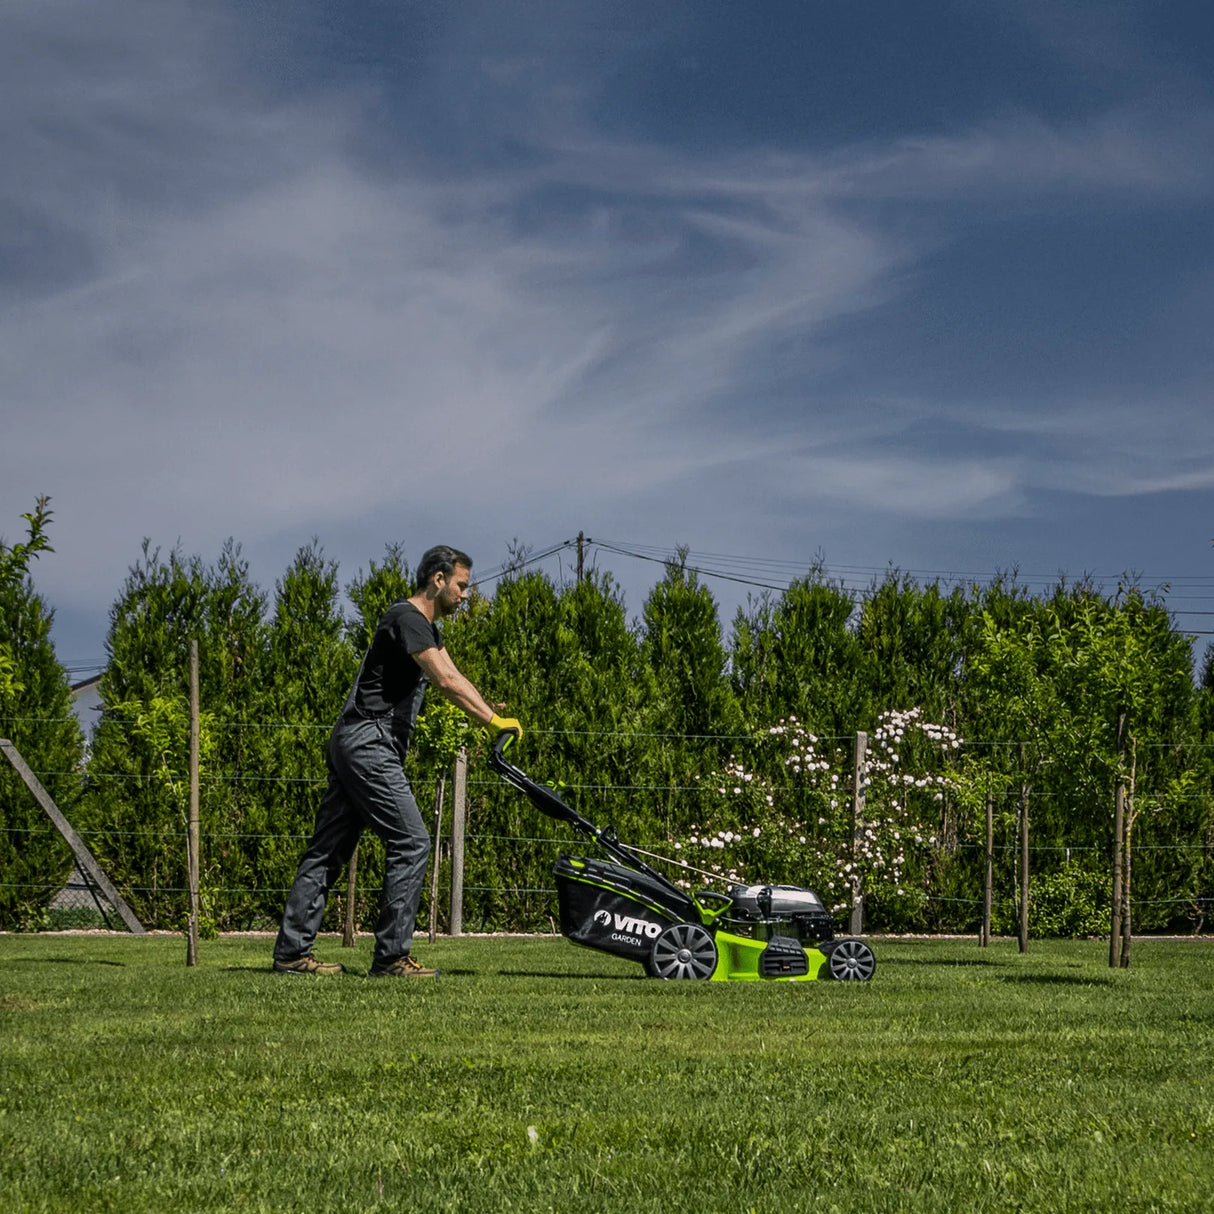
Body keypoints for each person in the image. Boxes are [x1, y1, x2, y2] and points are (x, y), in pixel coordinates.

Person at [273, 545, 521, 977]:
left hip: (355, 738)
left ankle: (292, 954)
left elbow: (453, 675)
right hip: (369, 740)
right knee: (412, 841)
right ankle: (391, 957)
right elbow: (444, 680)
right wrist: (493, 721)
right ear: (437, 579)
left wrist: (487, 713)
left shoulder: (425, 629)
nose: (466, 595)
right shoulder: (407, 617)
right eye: (462, 585)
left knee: (327, 850)